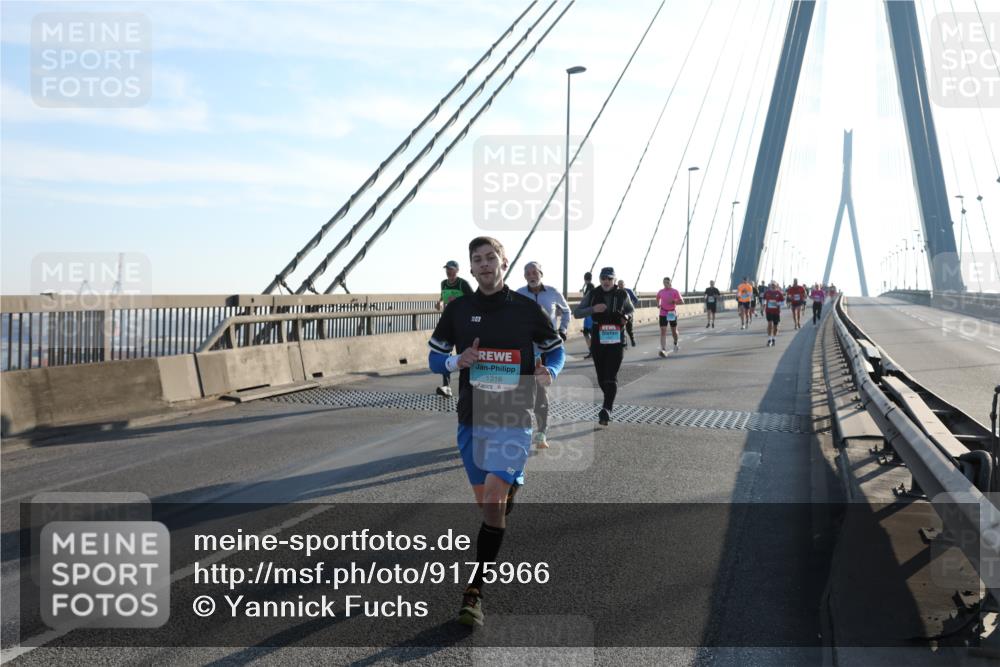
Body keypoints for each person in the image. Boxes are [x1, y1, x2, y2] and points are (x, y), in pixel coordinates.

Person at [428, 237, 565, 627]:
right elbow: (433, 355)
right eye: (478, 260)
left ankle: (474, 592)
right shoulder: (458, 309)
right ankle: (509, 486)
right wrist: (457, 360)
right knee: (489, 506)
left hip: (513, 417)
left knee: (491, 501)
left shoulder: (525, 310)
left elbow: (555, 349)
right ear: (471, 269)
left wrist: (548, 370)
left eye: (491, 258)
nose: (485, 265)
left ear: (504, 263)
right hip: (471, 418)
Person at [517, 261, 570, 450]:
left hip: (547, 347)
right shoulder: (518, 294)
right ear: (525, 276)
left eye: (535, 272)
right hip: (525, 348)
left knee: (542, 390)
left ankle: (541, 432)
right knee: (523, 391)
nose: (532, 275)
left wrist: (562, 331)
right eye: (528, 273)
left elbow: (566, 311)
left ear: (541, 273)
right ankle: (519, 431)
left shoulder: (553, 292)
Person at [573, 267, 633, 425]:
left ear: (614, 280)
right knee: (601, 378)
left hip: (616, 338)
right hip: (598, 337)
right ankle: (609, 400)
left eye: (609, 278)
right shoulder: (593, 294)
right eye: (603, 278)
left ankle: (607, 409)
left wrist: (626, 317)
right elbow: (577, 313)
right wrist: (593, 309)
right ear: (600, 279)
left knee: (610, 376)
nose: (606, 281)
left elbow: (631, 311)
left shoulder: (622, 294)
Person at [435, 260, 474, 397]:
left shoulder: (463, 283)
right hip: (447, 322)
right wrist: (439, 302)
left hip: (462, 322)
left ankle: (467, 386)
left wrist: (458, 301)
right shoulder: (443, 283)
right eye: (447, 269)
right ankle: (446, 386)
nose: (448, 271)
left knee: (462, 354)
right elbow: (442, 296)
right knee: (444, 354)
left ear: (457, 270)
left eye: (451, 269)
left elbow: (473, 300)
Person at [656, 277, 684, 355]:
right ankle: (663, 349)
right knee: (663, 330)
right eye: (664, 282)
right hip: (663, 312)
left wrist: (674, 301)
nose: (666, 284)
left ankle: (675, 342)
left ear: (670, 283)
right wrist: (658, 304)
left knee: (673, 331)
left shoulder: (675, 291)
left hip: (671, 312)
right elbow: (657, 297)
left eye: (667, 282)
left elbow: (682, 301)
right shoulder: (661, 291)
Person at [762, 279, 785, 347]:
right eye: (772, 285)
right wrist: (763, 307)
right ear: (770, 286)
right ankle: (769, 339)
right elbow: (764, 300)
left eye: (774, 285)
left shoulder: (779, 293)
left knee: (775, 327)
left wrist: (777, 303)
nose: (773, 286)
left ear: (776, 286)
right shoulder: (767, 292)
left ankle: (774, 339)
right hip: (768, 311)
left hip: (776, 312)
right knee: (770, 324)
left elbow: (783, 302)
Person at [617, 279, 640, 346]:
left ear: (624, 284)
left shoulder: (629, 291)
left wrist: (630, 305)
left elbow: (636, 300)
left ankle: (632, 339)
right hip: (620, 313)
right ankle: (624, 342)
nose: (620, 285)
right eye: (619, 284)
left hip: (628, 312)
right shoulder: (617, 292)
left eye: (621, 284)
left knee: (629, 328)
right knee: (621, 327)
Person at [581, 272, 595, 358]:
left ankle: (593, 351)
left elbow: (587, 298)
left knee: (589, 332)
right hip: (588, 312)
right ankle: (592, 351)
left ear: (584, 278)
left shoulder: (590, 286)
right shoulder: (590, 286)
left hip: (589, 312)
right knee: (587, 332)